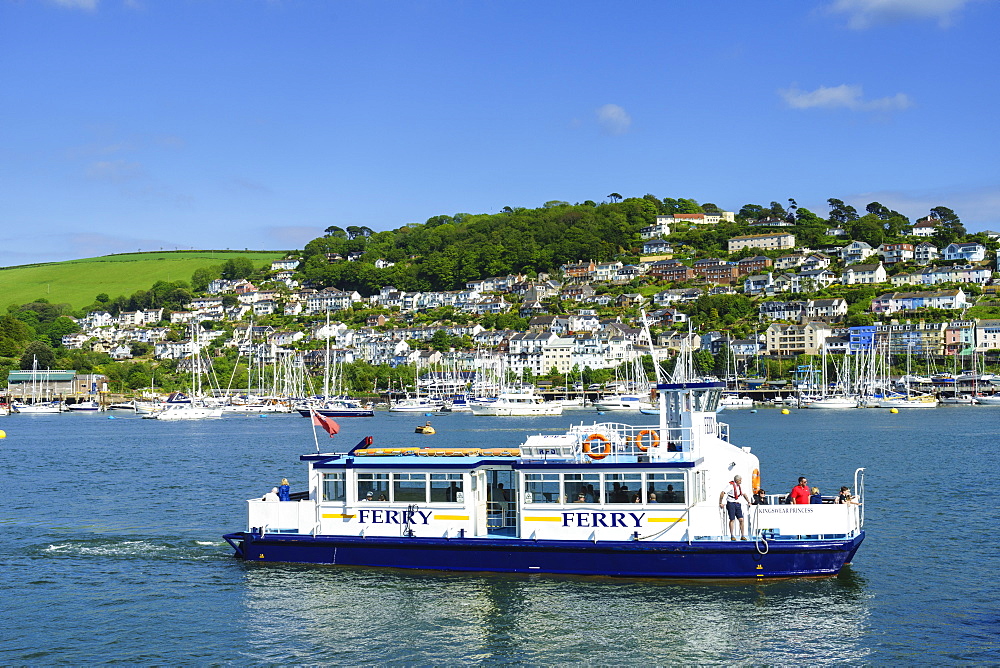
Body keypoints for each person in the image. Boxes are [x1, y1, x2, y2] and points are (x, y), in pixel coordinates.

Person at [719, 474, 752, 540]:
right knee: (732, 519)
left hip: (737, 504)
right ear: (737, 480)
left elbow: (744, 494)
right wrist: (720, 502)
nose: (741, 481)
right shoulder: (730, 486)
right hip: (731, 503)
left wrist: (748, 501)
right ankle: (732, 535)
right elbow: (722, 493)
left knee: (741, 519)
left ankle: (742, 535)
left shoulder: (740, 487)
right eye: (740, 480)